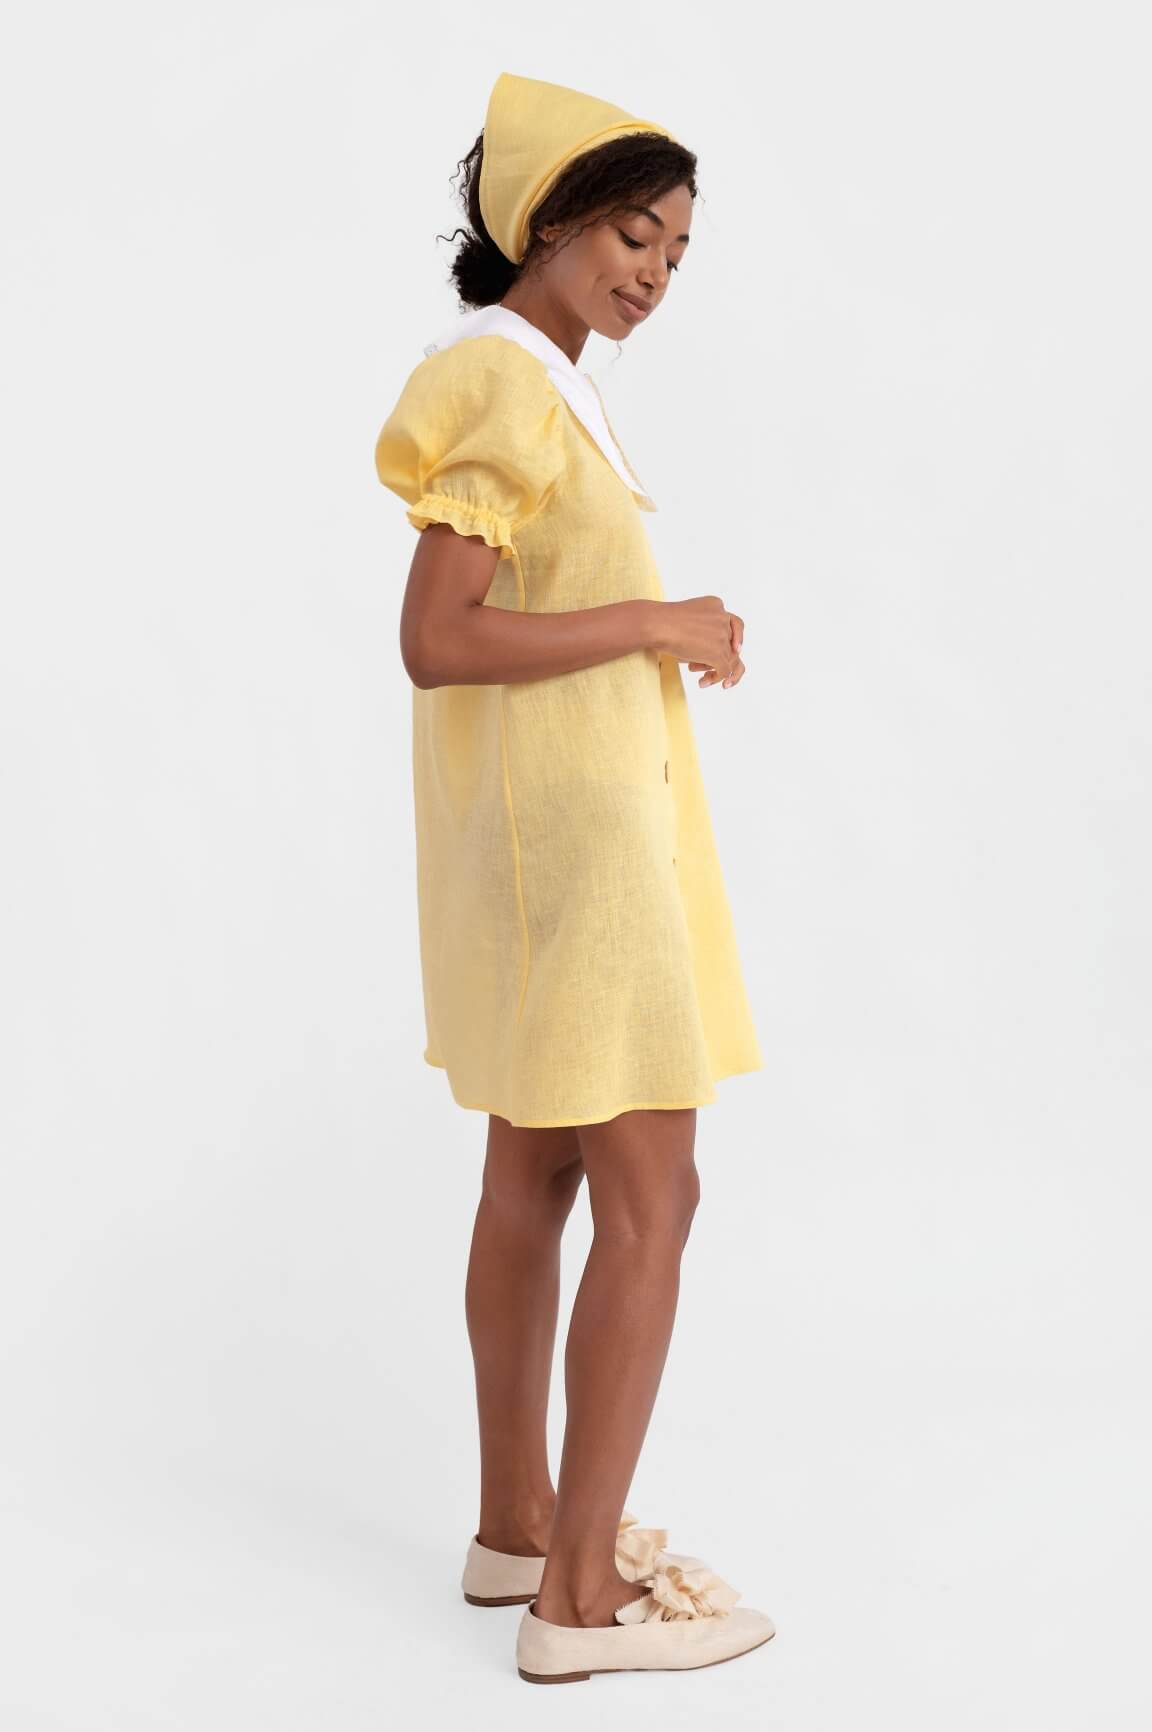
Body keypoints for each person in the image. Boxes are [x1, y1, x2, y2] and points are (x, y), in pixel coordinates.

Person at [373, 70, 774, 1685]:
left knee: (533, 1172)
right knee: (654, 1194)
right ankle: (582, 1600)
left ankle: (517, 1527)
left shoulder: (535, 380)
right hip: (582, 852)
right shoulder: (504, 380)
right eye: (631, 234)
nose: (654, 273)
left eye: (676, 251)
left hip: (550, 839)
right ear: (546, 222)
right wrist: (659, 622)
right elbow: (436, 637)